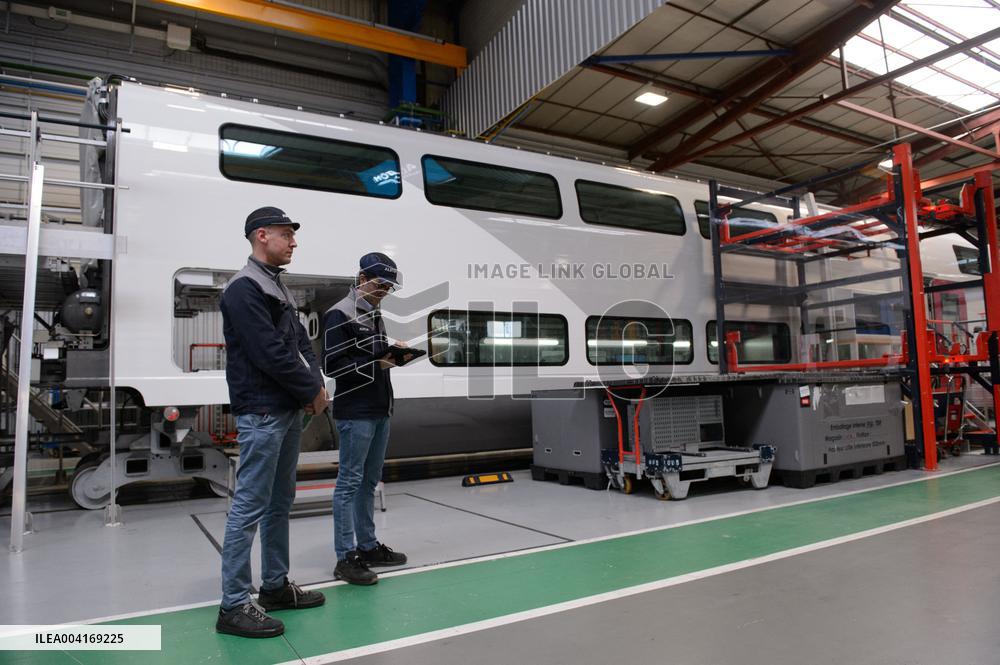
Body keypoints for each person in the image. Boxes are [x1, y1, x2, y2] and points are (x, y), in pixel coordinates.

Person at [216, 206, 329, 638]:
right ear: (262, 235)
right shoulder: (243, 288)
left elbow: (300, 343)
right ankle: (232, 605)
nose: (293, 242)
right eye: (286, 234)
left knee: (280, 501)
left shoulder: (277, 286)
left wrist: (315, 384)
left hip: (285, 407)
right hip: (262, 409)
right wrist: (310, 391)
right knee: (249, 505)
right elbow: (269, 352)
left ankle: (275, 586)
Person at [323, 252, 413, 585]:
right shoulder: (340, 314)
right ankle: (345, 557)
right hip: (356, 412)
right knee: (349, 483)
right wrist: (378, 363)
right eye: (380, 285)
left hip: (379, 410)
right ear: (362, 279)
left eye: (388, 288)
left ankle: (368, 546)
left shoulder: (374, 314)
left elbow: (371, 359)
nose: (384, 292)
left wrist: (392, 355)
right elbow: (332, 367)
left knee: (368, 482)